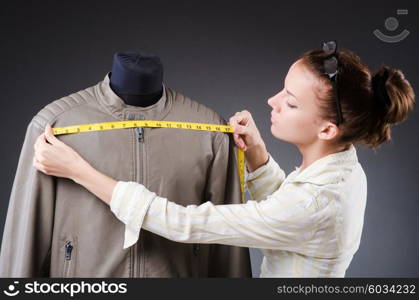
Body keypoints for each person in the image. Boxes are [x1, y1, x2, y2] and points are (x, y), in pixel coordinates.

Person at [32, 41, 415, 277]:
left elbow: (185, 223)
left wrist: (79, 171)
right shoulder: (344, 168)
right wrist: (260, 159)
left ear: (328, 130)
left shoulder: (317, 202)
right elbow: (290, 211)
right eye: (283, 90)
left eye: (291, 101)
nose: (272, 102)